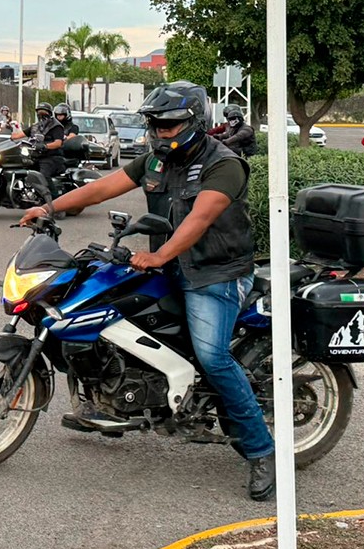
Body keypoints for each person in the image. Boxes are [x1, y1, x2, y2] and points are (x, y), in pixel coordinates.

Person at [19, 81, 276, 502]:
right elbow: (104, 186)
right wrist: (50, 207)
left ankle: (261, 450)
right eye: (155, 125)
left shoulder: (224, 163)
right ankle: (106, 401)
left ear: (196, 122)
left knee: (213, 355)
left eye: (170, 125)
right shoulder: (155, 160)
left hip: (216, 273)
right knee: (102, 313)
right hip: (171, 265)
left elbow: (200, 218)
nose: (161, 133)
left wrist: (160, 256)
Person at [13, 102, 67, 198]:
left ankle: (56, 201)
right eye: (39, 112)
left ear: (50, 113)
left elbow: (58, 143)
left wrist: (45, 146)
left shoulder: (56, 126)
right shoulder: (35, 126)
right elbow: (19, 135)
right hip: (35, 156)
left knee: (43, 176)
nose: (41, 115)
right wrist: (7, 137)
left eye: (44, 112)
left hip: (51, 157)